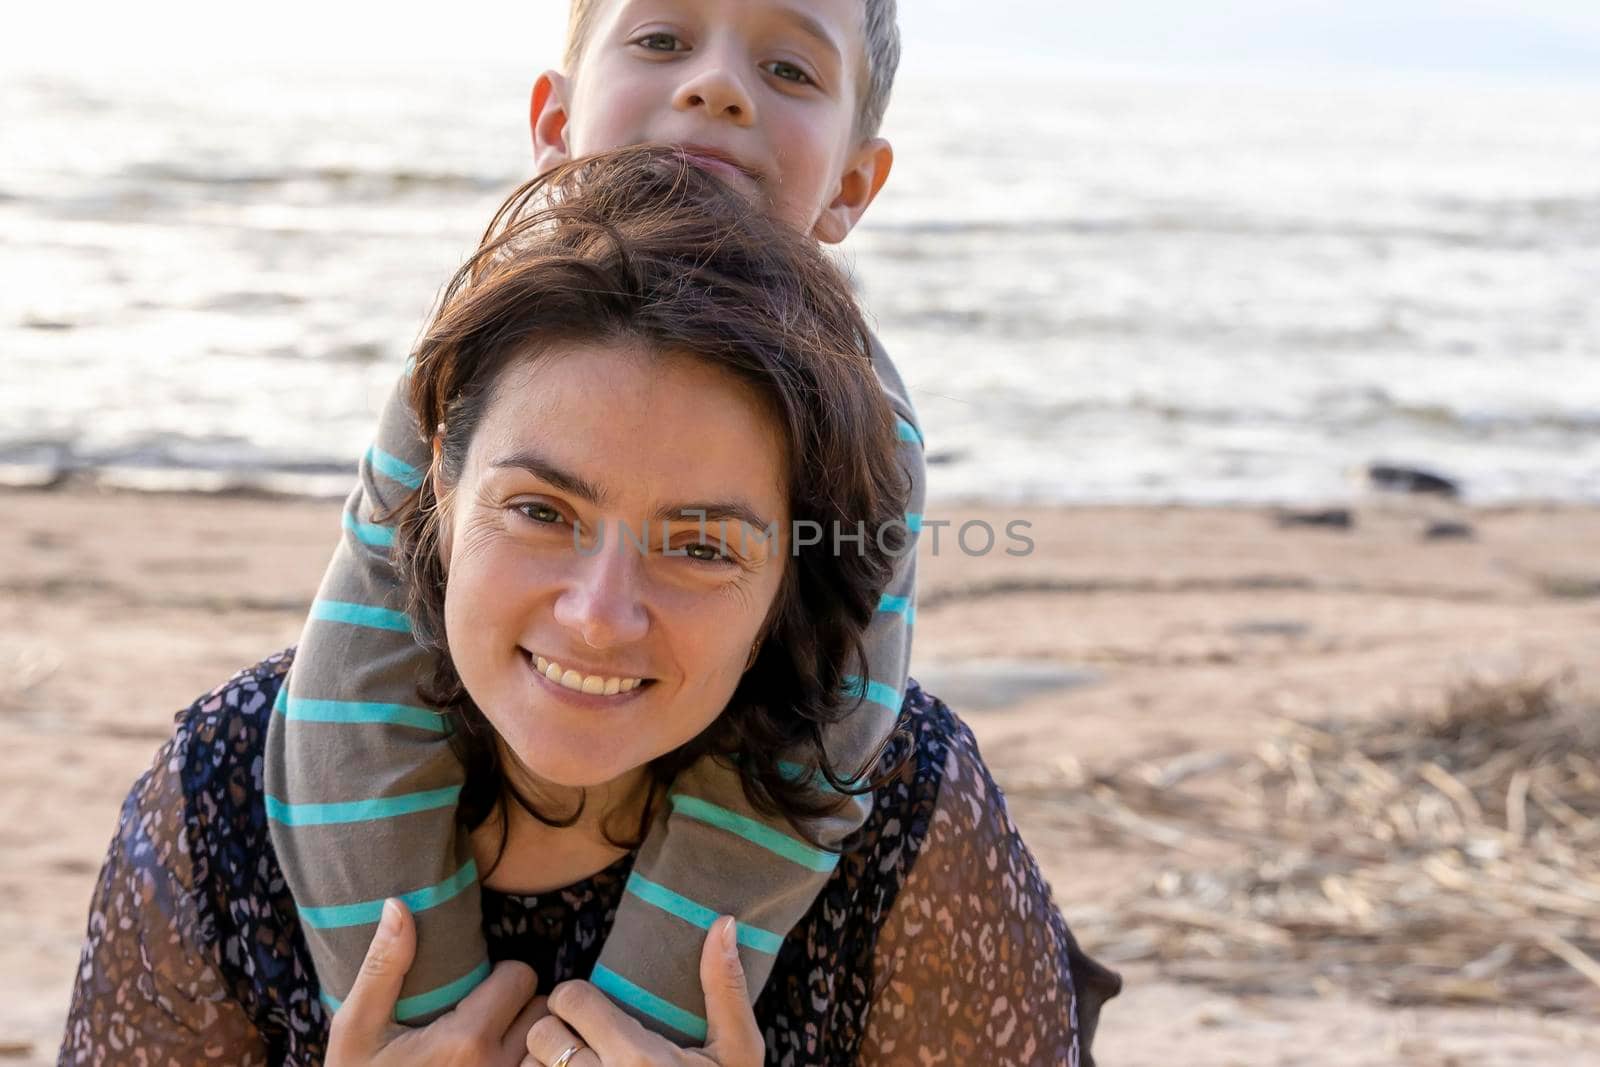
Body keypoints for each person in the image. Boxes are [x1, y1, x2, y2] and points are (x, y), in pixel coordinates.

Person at [60, 148, 1119, 1067]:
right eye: (541, 509)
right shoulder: (226, 791)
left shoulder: (903, 806)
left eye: (700, 544)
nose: (600, 614)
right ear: (436, 485)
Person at [266, 0, 924, 1040]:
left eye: (790, 71)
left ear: (850, 184)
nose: (716, 87)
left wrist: (632, 1031)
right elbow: (357, 687)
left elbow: (815, 746)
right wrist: (421, 1016)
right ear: (552, 124)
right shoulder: (475, 348)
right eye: (660, 39)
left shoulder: (865, 427)